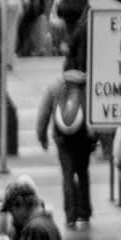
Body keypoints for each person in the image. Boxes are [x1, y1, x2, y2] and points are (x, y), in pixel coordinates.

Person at [36, 59, 93, 229]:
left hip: (62, 139)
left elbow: (43, 113)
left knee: (67, 175)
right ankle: (85, 212)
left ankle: (70, 216)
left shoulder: (55, 86)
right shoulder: (87, 85)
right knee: (83, 173)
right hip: (84, 138)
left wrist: (42, 137)